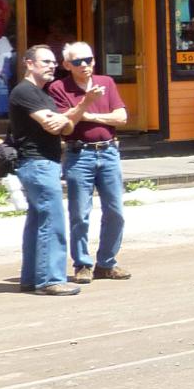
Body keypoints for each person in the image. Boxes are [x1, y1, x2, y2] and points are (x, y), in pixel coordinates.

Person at [8, 44, 94, 295]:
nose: (52, 66)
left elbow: (66, 127)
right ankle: (50, 280)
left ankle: (32, 278)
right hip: (38, 162)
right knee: (53, 221)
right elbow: (55, 127)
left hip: (44, 163)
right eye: (45, 62)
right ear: (29, 63)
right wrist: (74, 113)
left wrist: (66, 119)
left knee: (38, 221)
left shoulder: (42, 94)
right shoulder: (25, 91)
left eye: (54, 62)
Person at [48, 43, 131, 283]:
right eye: (77, 62)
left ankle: (106, 263)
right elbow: (66, 121)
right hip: (78, 153)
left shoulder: (106, 82)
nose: (84, 65)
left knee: (115, 211)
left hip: (108, 152)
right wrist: (85, 102)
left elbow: (122, 117)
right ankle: (82, 264)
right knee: (80, 213)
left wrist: (91, 116)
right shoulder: (59, 87)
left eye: (88, 60)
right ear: (66, 65)